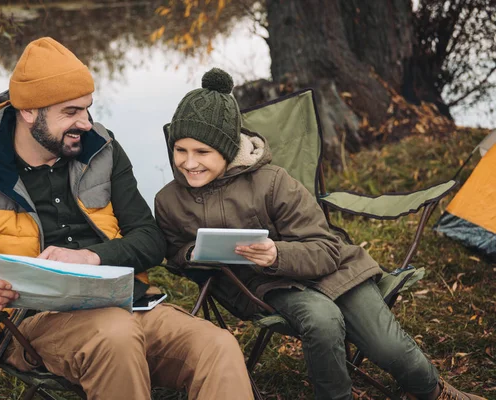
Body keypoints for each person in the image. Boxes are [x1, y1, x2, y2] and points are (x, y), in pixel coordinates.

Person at [0, 38, 254, 400]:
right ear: (30, 110)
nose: (86, 123)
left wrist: (91, 257)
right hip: (30, 325)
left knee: (216, 346)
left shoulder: (103, 150)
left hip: (129, 306)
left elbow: (150, 239)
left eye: (87, 109)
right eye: (71, 112)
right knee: (116, 336)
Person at [154, 67, 486, 400]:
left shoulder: (271, 181)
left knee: (390, 347)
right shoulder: (168, 201)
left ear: (226, 150)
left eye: (202, 152)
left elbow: (326, 249)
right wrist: (191, 254)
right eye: (180, 150)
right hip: (267, 287)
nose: (188, 163)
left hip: (335, 269)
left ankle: (433, 392)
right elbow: (175, 250)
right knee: (322, 320)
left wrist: (276, 254)